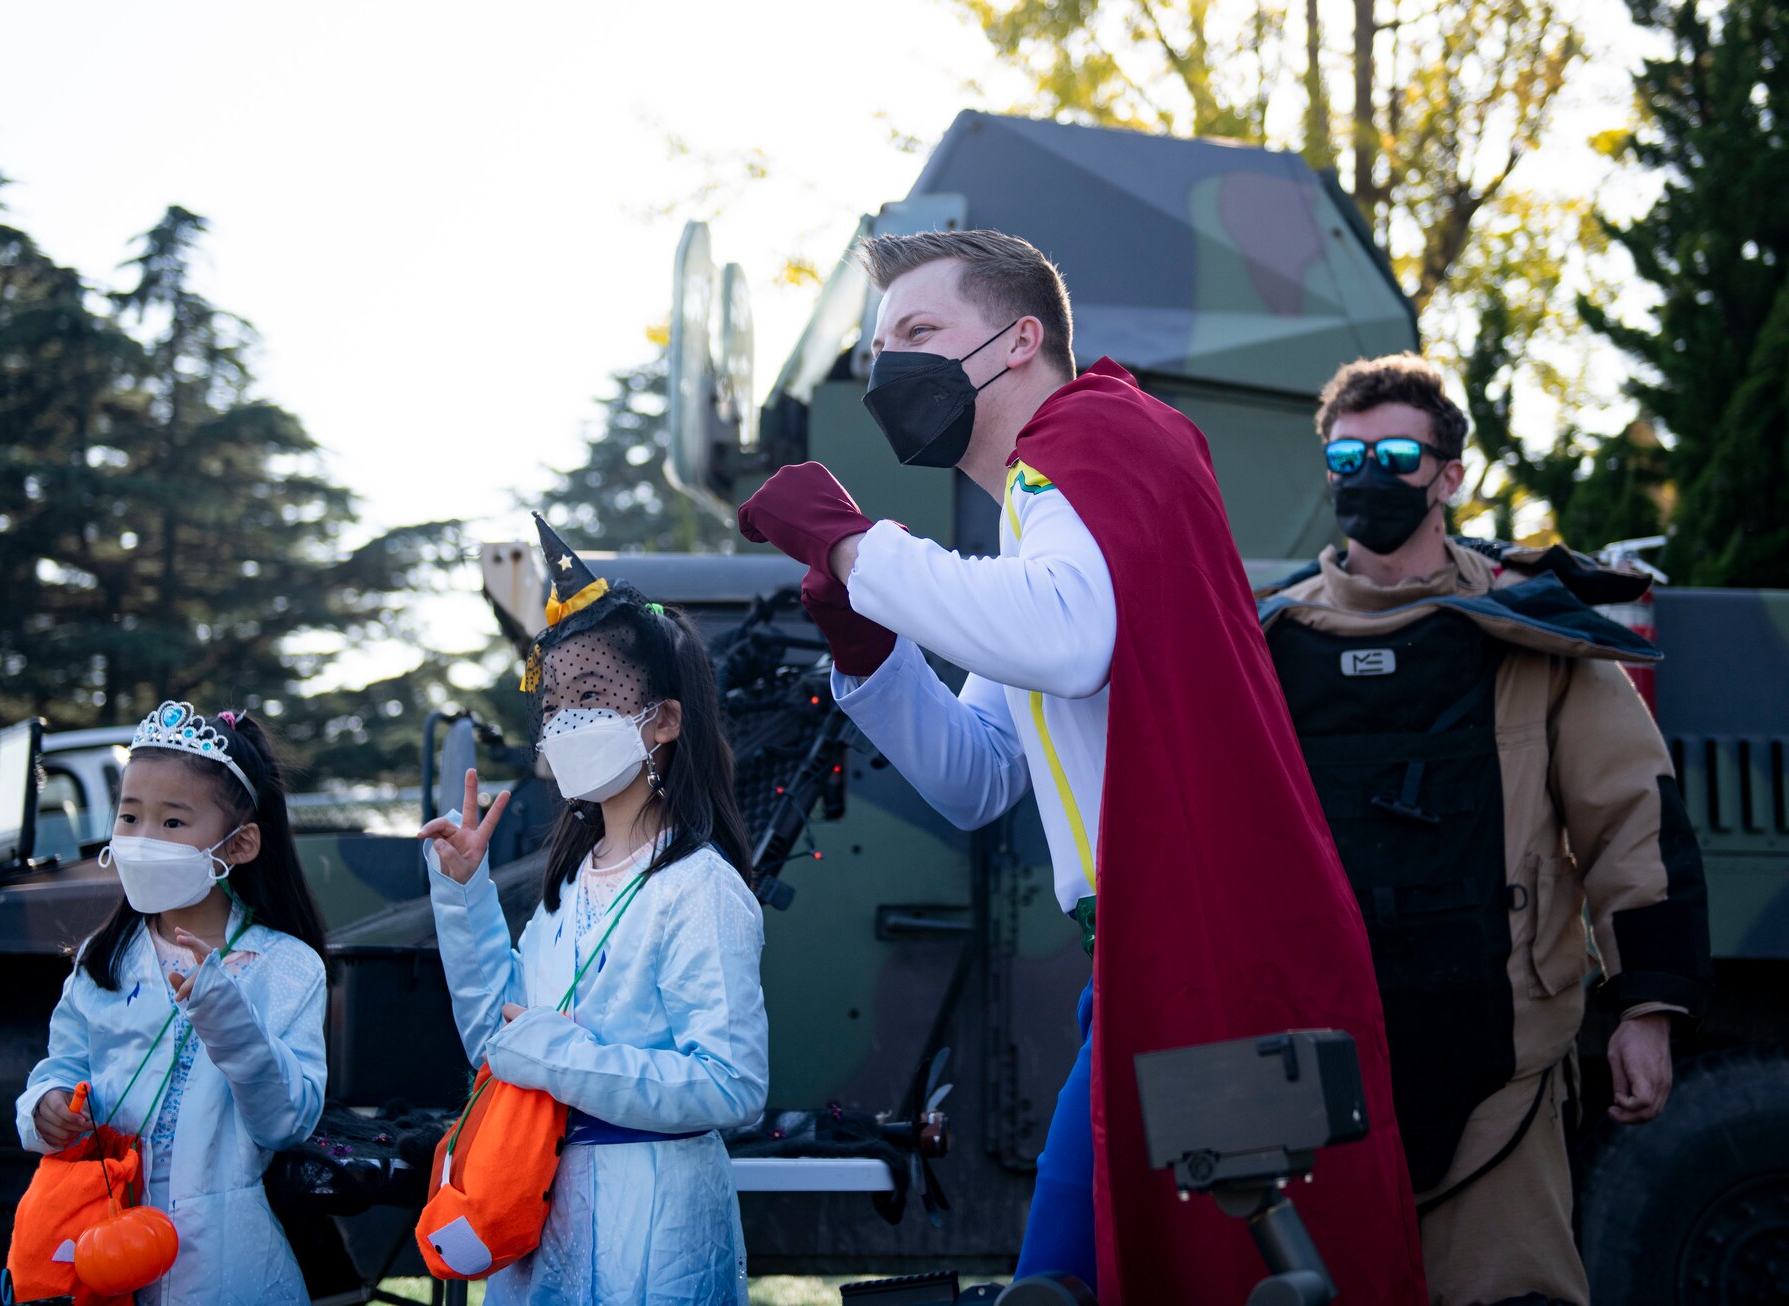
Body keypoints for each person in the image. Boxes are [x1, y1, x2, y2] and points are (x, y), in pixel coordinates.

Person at [739, 229, 1425, 1304]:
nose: (889, 369)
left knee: (1078, 1279)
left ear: (1020, 340)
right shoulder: (1047, 505)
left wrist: (852, 546)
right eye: (877, 348)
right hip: (1152, 960)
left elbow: (1062, 638)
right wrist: (870, 652)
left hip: (1199, 958)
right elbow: (979, 773)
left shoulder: (1099, 435)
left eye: (919, 332)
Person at [1256, 354, 1712, 1306]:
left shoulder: (1530, 630)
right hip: (1310, 1058)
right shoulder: (1267, 641)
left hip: (1502, 1054)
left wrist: (1649, 1008)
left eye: (1395, 452)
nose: (1367, 474)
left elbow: (1633, 819)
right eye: (1346, 453)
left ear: (1450, 475)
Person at [422, 516, 768, 1304]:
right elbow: (499, 1040)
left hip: (650, 1221)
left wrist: (560, 1058)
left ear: (665, 721)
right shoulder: (572, 886)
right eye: (551, 704)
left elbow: (731, 1085)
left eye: (588, 696)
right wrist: (465, 894)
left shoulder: (699, 888)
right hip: (542, 1208)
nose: (563, 721)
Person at [17, 703, 329, 1306]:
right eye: (129, 816)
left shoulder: (286, 968)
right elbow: (62, 1066)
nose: (141, 841)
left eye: (172, 823)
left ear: (238, 846)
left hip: (226, 1266)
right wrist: (46, 1105)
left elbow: (287, 1122)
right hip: (100, 1250)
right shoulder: (101, 959)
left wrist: (228, 1019)